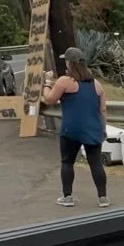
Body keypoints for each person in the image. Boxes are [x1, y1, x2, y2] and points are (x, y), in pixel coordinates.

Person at [40, 47, 108, 208]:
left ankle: (67, 196)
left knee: (67, 162)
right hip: (93, 128)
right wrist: (103, 128)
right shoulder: (96, 84)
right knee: (96, 163)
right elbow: (103, 110)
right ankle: (103, 197)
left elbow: (49, 99)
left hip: (71, 129)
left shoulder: (64, 81)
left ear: (70, 63)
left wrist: (47, 84)